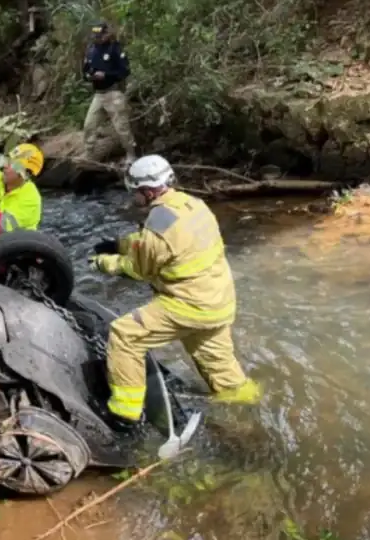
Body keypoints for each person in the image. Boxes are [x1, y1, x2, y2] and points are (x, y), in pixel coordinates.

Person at [89, 155, 262, 430]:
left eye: (134, 192)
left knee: (124, 335)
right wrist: (120, 243)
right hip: (218, 302)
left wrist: (105, 262)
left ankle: (125, 414)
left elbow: (139, 269)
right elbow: (173, 246)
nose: (133, 198)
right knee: (222, 370)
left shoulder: (158, 227)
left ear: (146, 192)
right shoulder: (194, 205)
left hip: (187, 304)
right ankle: (253, 416)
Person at [82, 21, 137, 166]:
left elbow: (124, 71)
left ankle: (131, 154)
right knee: (89, 124)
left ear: (107, 33)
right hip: (98, 94)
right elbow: (85, 70)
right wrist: (89, 76)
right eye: (96, 36)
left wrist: (106, 75)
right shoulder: (91, 49)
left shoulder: (115, 48)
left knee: (121, 127)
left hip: (113, 92)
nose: (98, 38)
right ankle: (89, 154)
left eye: (101, 36)